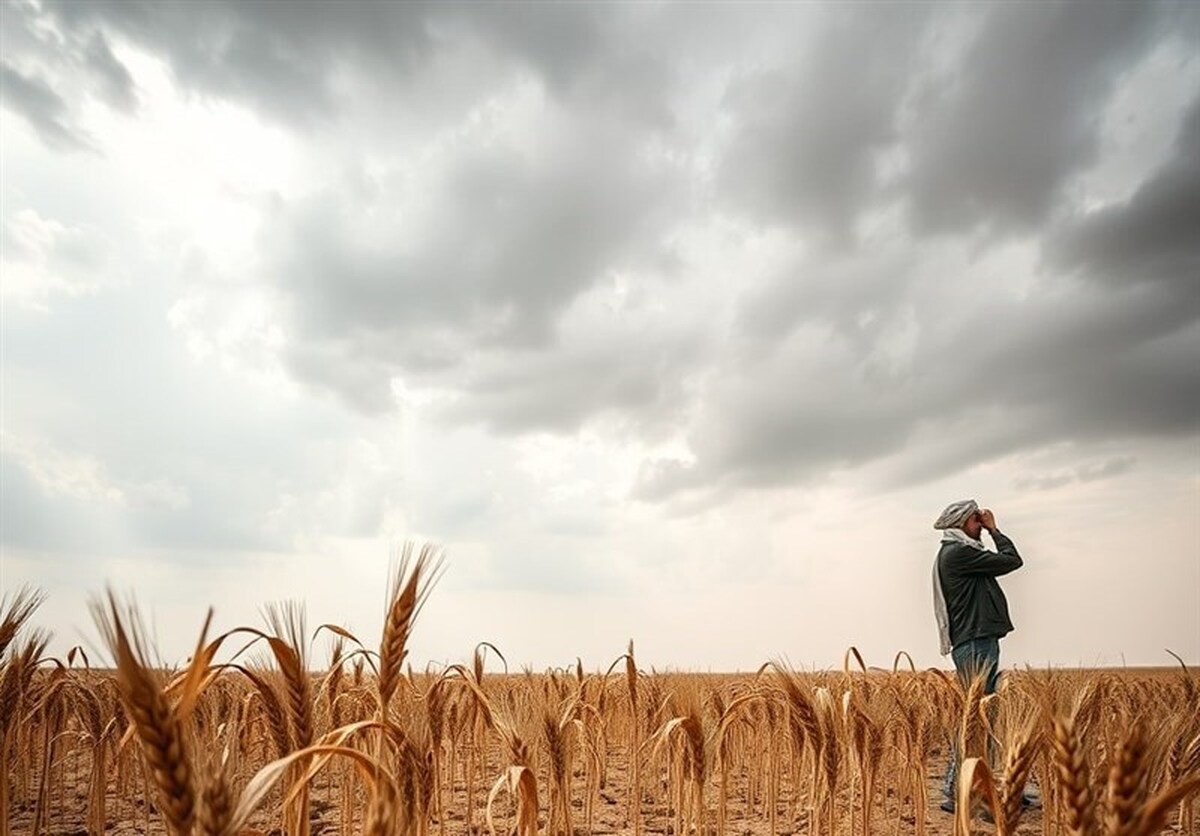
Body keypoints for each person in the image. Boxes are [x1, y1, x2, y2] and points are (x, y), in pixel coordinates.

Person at [931, 499, 1033, 814]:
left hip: (977, 639)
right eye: (976, 520)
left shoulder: (958, 552)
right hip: (974, 641)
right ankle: (959, 792)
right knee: (978, 719)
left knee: (979, 718)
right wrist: (995, 530)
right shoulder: (959, 553)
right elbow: (1012, 560)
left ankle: (979, 790)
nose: (981, 524)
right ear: (962, 523)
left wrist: (985, 529)